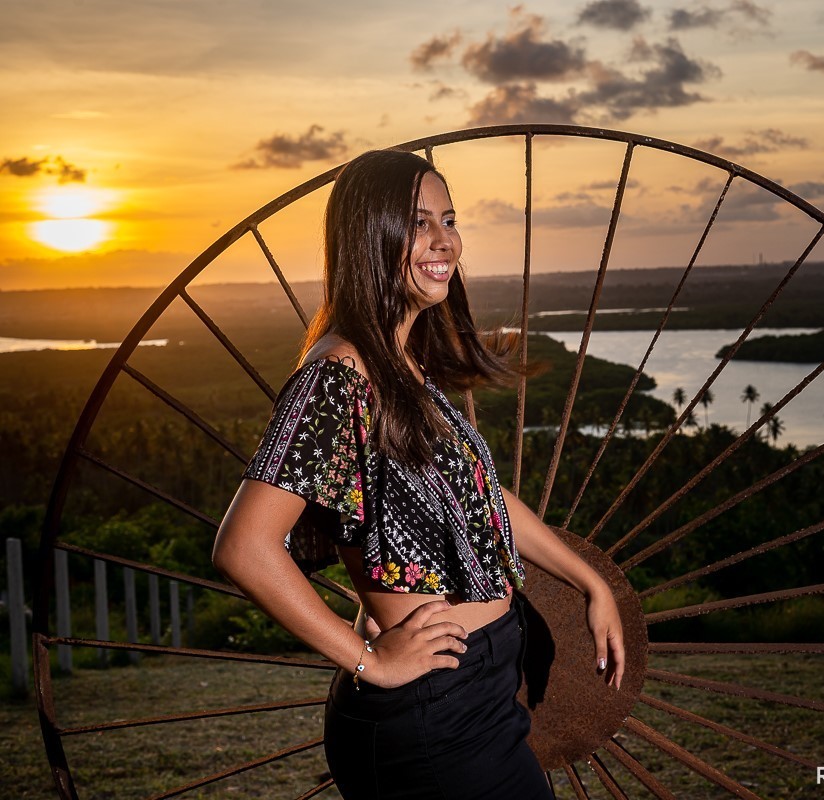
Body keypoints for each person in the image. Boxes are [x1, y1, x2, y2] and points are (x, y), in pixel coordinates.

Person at [212, 149, 625, 799]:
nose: (445, 240)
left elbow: (482, 498)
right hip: (431, 714)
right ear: (368, 235)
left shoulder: (400, 363)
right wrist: (370, 661)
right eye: (418, 222)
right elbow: (243, 546)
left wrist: (587, 581)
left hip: (482, 696)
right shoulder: (339, 373)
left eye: (450, 218)